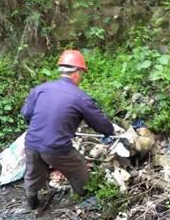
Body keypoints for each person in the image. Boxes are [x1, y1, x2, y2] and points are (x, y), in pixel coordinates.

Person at [20, 49, 114, 209]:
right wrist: (108, 131)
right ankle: (83, 198)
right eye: (81, 73)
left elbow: (26, 114)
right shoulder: (80, 97)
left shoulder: (41, 89)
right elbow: (99, 122)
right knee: (79, 169)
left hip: (32, 143)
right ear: (76, 73)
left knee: (34, 174)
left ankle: (32, 202)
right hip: (56, 148)